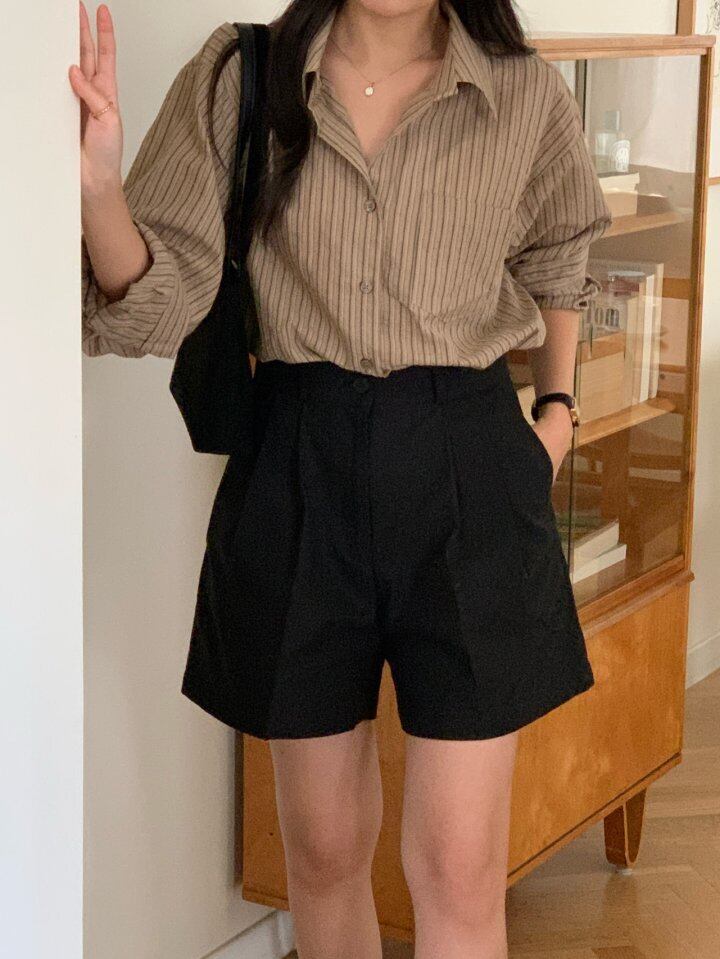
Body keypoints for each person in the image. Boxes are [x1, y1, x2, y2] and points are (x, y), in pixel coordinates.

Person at [71, 0, 612, 956]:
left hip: (469, 465)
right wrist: (98, 190)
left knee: (458, 864)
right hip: (300, 465)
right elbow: (153, 305)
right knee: (320, 851)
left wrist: (557, 415)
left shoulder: (522, 92)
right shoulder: (242, 76)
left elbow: (560, 253)